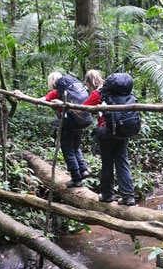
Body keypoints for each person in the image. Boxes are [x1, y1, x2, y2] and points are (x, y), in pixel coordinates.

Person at [82, 70, 136, 206]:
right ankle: (128, 197)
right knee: (122, 162)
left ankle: (107, 195)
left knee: (107, 163)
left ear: (89, 82)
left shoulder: (99, 93)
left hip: (106, 132)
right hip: (123, 131)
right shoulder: (123, 93)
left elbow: (83, 108)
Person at [44, 71, 92, 188]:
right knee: (75, 147)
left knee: (68, 149)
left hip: (68, 122)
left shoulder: (56, 92)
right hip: (79, 120)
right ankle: (83, 170)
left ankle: (76, 178)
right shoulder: (72, 89)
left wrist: (21, 95)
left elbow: (42, 100)